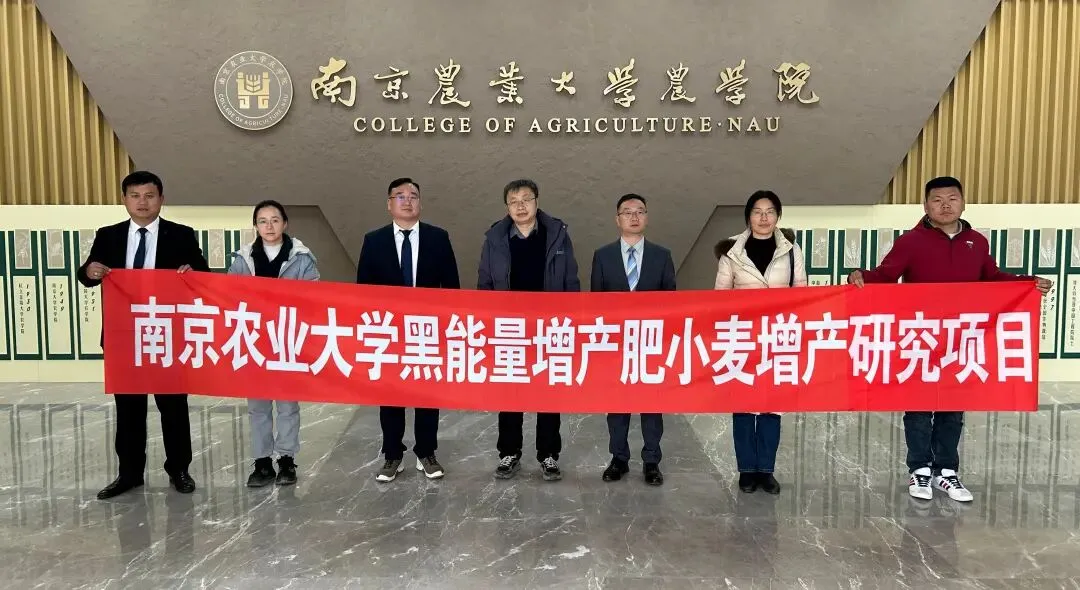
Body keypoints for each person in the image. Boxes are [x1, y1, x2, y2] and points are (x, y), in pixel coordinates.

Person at [848, 176, 1052, 503]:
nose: (945, 205)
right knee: (918, 408)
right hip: (921, 337)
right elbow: (885, 275)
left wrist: (1028, 283)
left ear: (963, 203)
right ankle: (919, 469)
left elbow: (993, 278)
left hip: (960, 339)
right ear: (926, 205)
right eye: (937, 200)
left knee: (952, 408)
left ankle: (946, 471)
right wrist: (860, 276)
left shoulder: (976, 242)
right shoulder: (911, 241)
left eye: (952, 198)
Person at [77, 170, 210, 499]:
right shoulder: (108, 235)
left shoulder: (181, 235)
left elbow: (203, 274)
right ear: (124, 199)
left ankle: (179, 470)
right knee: (129, 409)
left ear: (161, 199)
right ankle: (129, 474)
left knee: (173, 407)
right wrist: (90, 271)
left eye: (149, 196)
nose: (142, 202)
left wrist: (192, 273)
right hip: (124, 337)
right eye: (135, 196)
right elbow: (88, 274)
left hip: (166, 335)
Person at [356, 177, 460, 482]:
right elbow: (363, 290)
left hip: (427, 329)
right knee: (390, 394)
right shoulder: (373, 240)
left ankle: (426, 452)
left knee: (427, 393)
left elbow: (451, 287)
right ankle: (393, 454)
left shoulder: (438, 238)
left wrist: (447, 326)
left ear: (420, 203)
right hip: (388, 330)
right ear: (389, 204)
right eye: (400, 196)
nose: (407, 200)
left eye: (413, 195)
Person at [478, 178, 581, 481]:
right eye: (513, 201)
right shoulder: (495, 238)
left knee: (548, 392)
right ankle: (509, 453)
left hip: (549, 327)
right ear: (507, 207)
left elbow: (571, 281)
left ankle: (548, 455)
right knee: (510, 392)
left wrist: (570, 320)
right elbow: (485, 282)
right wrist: (488, 322)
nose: (520, 206)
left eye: (526, 199)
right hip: (509, 328)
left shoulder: (557, 235)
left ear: (537, 201)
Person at [714, 190, 807, 495]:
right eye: (757, 211)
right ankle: (746, 470)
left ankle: (766, 470)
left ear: (778, 216)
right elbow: (720, 297)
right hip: (742, 337)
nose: (764, 218)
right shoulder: (732, 251)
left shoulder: (791, 250)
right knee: (743, 405)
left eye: (770, 211)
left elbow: (801, 293)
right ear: (748, 216)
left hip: (778, 336)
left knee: (772, 406)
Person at [227, 200, 319, 487]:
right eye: (263, 221)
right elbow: (228, 295)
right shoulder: (242, 259)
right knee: (258, 407)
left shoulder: (301, 258)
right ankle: (262, 462)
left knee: (287, 406)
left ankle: (287, 460)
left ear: (285, 223)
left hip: (287, 340)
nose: (269, 226)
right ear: (255, 226)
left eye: (275, 220)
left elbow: (314, 297)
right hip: (254, 341)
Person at [591, 193, 675, 486]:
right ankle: (619, 459)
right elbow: (596, 304)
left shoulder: (661, 256)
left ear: (647, 217)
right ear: (618, 220)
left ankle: (652, 461)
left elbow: (671, 302)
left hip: (651, 343)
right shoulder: (602, 256)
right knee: (617, 404)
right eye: (627, 212)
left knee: (652, 405)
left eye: (640, 211)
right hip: (616, 344)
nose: (634, 217)